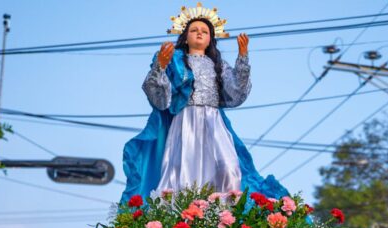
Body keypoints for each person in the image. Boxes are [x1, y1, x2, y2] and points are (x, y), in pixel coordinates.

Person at [120, 4, 287, 202]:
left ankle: (226, 211)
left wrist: (242, 57)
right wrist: (161, 67)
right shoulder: (176, 61)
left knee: (229, 167)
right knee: (182, 172)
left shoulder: (218, 65)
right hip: (185, 121)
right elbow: (161, 100)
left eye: (204, 31)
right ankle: (185, 212)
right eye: (194, 30)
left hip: (214, 122)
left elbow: (237, 93)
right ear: (185, 37)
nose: (199, 33)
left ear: (210, 39)